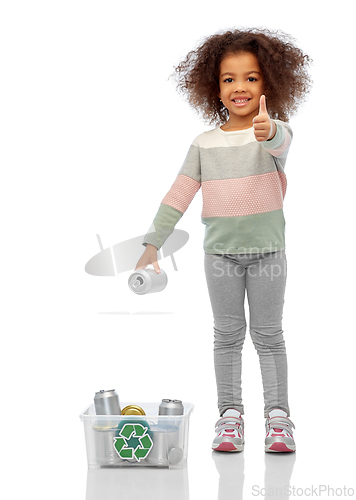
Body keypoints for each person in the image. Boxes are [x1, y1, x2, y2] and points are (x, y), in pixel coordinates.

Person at [135, 28, 312, 453]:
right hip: (221, 258)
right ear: (214, 87)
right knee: (227, 335)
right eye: (229, 78)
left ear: (269, 83)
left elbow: (280, 139)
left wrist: (268, 129)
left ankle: (278, 418)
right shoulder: (203, 144)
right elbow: (179, 194)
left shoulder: (272, 135)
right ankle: (230, 416)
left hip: (269, 253)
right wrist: (152, 244)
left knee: (269, 335)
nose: (240, 87)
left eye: (251, 78)